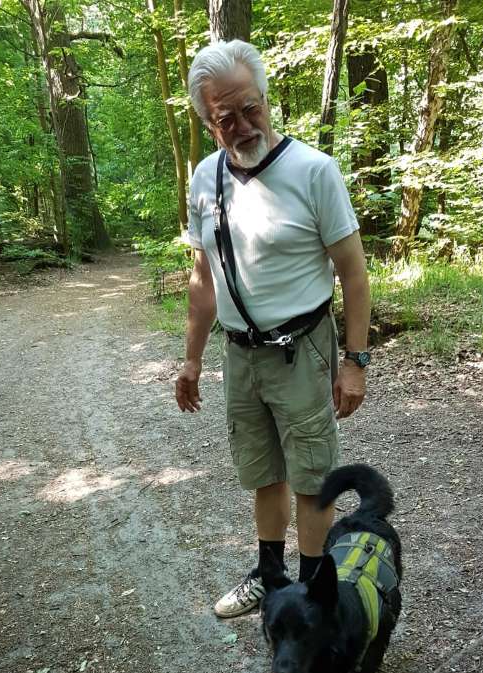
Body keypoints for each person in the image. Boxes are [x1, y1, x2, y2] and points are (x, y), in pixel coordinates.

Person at [175, 39, 371, 618]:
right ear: (208, 121)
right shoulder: (204, 180)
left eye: (251, 107)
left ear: (266, 98)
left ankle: (313, 596)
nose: (242, 124)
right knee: (263, 472)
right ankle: (269, 574)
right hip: (241, 355)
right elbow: (203, 277)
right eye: (225, 116)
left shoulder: (313, 172)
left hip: (303, 350)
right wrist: (190, 358)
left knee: (311, 476)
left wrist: (354, 362)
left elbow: (354, 276)